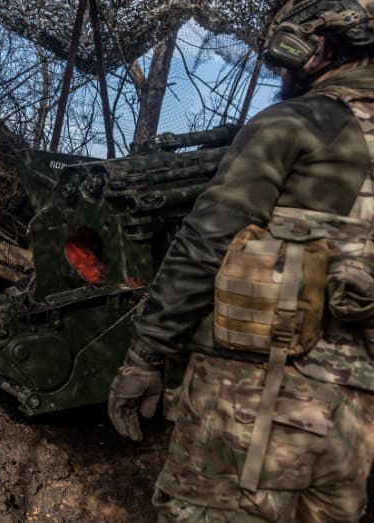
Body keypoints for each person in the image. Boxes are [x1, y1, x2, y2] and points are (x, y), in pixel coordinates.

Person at [107, 1, 374, 520]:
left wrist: (145, 356)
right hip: (356, 428)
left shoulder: (296, 123)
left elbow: (205, 244)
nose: (278, 70)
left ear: (315, 44)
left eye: (282, 55)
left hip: (258, 407)